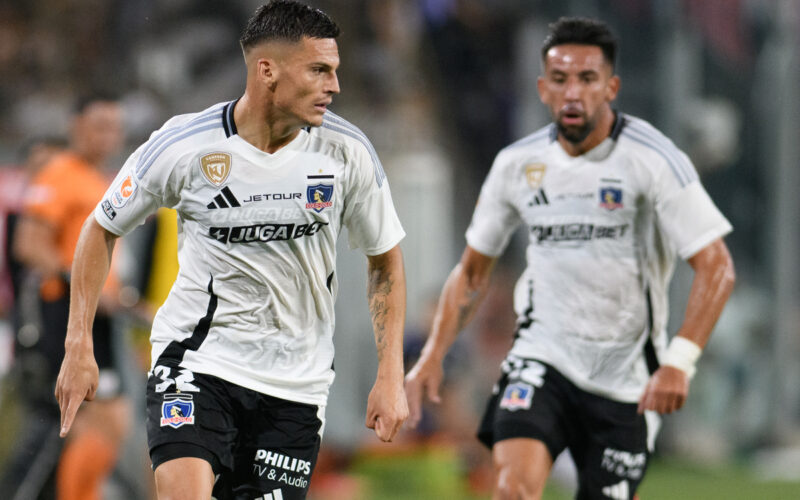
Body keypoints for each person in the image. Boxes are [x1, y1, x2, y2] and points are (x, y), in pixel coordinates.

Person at [55, 2, 409, 499]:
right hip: (197, 363)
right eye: (319, 70)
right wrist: (79, 345)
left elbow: (384, 260)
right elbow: (100, 229)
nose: (335, 86)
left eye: (335, 70)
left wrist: (390, 374)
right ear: (267, 71)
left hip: (294, 384)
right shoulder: (184, 146)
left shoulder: (346, 152)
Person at [405, 17, 735, 500]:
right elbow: (474, 270)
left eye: (587, 79)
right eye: (560, 79)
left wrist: (679, 362)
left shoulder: (653, 159)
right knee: (512, 488)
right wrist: (434, 354)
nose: (573, 92)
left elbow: (717, 266)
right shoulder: (516, 165)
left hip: (626, 376)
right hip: (543, 357)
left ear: (612, 86)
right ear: (543, 88)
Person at [11, 96, 130, 500]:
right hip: (64, 314)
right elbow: (29, 244)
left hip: (98, 315)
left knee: (107, 419)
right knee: (93, 419)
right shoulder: (59, 175)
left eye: (115, 126)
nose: (108, 135)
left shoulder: (99, 180)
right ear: (75, 125)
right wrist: (76, 281)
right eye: (99, 125)